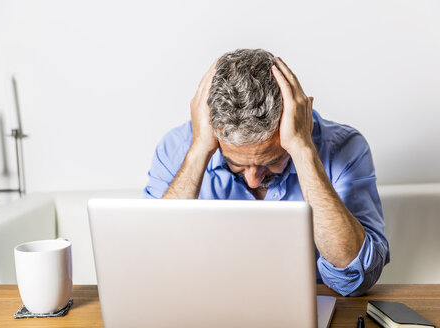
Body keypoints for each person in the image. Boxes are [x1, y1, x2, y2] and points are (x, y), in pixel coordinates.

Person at [142, 49, 390, 296]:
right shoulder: (177, 149)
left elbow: (355, 279)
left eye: (272, 160)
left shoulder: (344, 148)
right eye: (235, 163)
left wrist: (303, 150)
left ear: (300, 119)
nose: (253, 179)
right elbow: (152, 265)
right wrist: (199, 151)